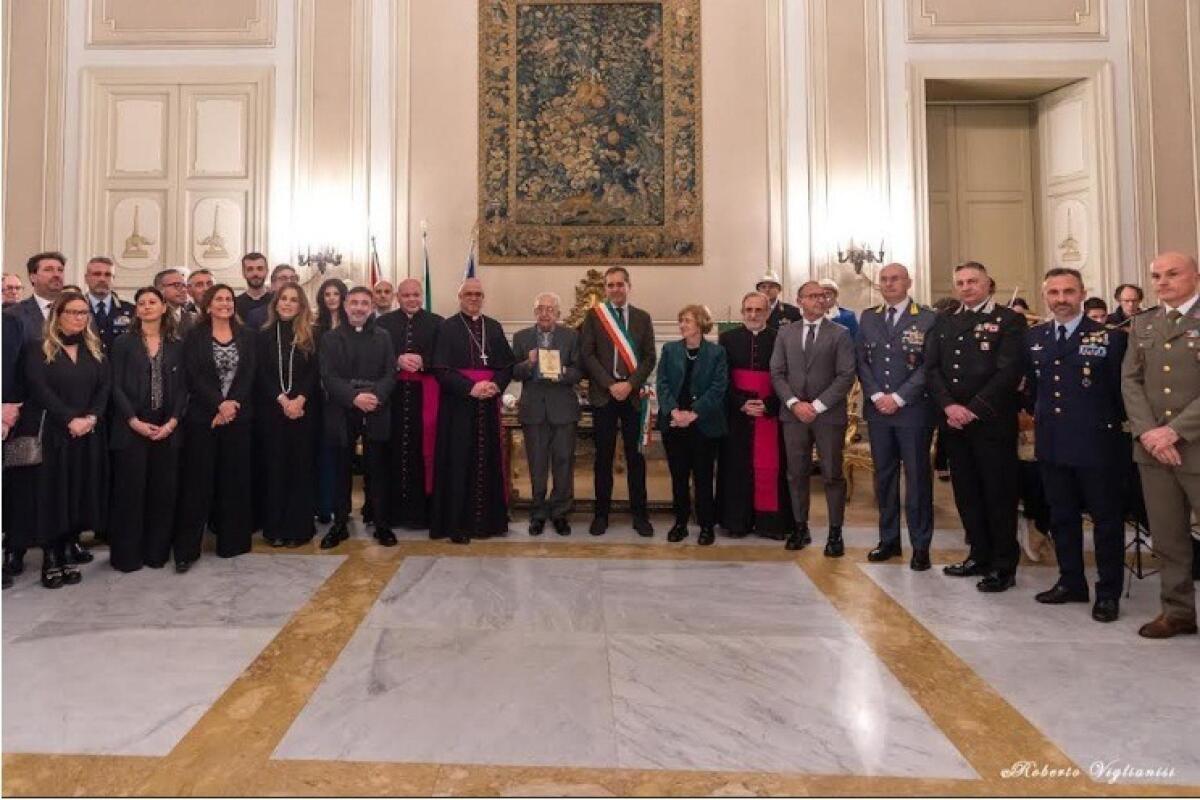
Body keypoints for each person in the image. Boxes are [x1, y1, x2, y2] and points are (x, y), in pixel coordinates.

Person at [1024, 268, 1127, 622]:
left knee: (1106, 520)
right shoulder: (1035, 338)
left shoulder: (1108, 338)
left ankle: (1109, 591)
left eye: (1068, 291)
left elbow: (1119, 395)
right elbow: (1031, 391)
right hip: (1052, 443)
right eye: (1054, 293)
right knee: (1062, 516)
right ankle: (1071, 582)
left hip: (1096, 444)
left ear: (1082, 293)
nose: (1061, 299)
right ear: (1045, 297)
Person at [925, 261, 1026, 593]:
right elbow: (933, 368)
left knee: (998, 494)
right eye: (960, 282)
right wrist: (949, 407)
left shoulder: (1008, 320)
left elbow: (1008, 372)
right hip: (954, 422)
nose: (966, 287)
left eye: (973, 281)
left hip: (991, 422)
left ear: (988, 284)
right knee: (966, 493)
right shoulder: (945, 321)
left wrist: (972, 409)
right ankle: (978, 555)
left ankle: (1003, 564)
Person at [1122, 251, 1200, 638]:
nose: (1163, 282)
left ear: (1195, 275)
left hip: (1195, 446)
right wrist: (1149, 432)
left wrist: (1176, 430)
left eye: (1172, 274)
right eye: (1156, 276)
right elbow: (1130, 381)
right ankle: (1178, 611)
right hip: (1153, 449)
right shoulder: (1144, 323)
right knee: (1168, 537)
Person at [8, 293, 109, 588]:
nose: (79, 318)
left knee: (77, 493)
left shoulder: (95, 348)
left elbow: (105, 387)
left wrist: (91, 418)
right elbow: (39, 389)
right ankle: (51, 557)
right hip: (52, 433)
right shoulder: (37, 348)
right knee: (53, 496)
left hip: (86, 434)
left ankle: (67, 549)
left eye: (83, 313)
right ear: (57, 315)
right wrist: (69, 419)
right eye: (72, 312)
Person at [855, 263, 938, 570]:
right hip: (878, 413)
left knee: (917, 480)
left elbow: (929, 365)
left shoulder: (928, 317)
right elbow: (861, 360)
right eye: (885, 280)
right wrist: (877, 396)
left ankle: (920, 545)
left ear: (908, 282)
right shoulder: (870, 316)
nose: (889, 284)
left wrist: (899, 397)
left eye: (895, 279)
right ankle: (888, 540)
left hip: (913, 411)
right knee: (884, 479)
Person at [174, 284, 257, 571]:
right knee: (197, 483)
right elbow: (192, 376)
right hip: (203, 419)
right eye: (219, 299)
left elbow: (249, 375)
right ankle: (187, 549)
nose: (225, 303)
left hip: (238, 417)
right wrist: (217, 405)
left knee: (234, 481)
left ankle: (232, 543)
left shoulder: (247, 336)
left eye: (229, 299)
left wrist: (231, 404)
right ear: (208, 306)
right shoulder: (193, 336)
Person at [770, 280, 856, 554]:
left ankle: (835, 533)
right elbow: (777, 373)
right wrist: (795, 404)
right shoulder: (785, 334)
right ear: (800, 301)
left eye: (823, 296)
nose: (820, 300)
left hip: (828, 416)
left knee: (832, 474)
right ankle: (799, 527)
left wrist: (816, 406)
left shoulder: (840, 334)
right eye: (813, 296)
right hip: (793, 416)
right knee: (796, 474)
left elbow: (846, 376)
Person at [430, 278, 515, 543]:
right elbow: (441, 370)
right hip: (458, 406)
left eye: (478, 294)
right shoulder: (447, 327)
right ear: (460, 297)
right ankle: (458, 524)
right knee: (459, 462)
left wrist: (494, 385)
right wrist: (471, 388)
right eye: (469, 294)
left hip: (488, 406)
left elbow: (506, 366)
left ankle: (486, 523)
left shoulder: (494, 327)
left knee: (487, 461)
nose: (474, 298)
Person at [108, 287, 186, 572]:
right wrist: (133, 420)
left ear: (164, 307)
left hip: (167, 427)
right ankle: (128, 556)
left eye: (152, 302)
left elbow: (184, 389)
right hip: (132, 427)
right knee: (131, 493)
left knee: (162, 493)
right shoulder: (123, 344)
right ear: (136, 310)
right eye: (141, 303)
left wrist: (173, 422)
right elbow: (114, 385)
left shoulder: (177, 344)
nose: (147, 307)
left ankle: (156, 552)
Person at [580, 267, 657, 537]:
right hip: (604, 396)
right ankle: (601, 515)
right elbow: (587, 355)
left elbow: (649, 357)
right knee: (603, 458)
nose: (614, 289)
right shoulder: (594, 316)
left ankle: (640, 515)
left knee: (636, 458)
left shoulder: (642, 318)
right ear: (605, 288)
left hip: (633, 398)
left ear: (628, 286)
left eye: (619, 285)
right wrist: (611, 384)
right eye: (610, 285)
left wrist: (630, 384)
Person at [319, 287, 396, 548]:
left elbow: (389, 374)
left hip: (376, 408)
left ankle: (382, 524)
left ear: (372, 307)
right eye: (354, 303)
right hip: (342, 410)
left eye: (365, 303)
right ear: (345, 305)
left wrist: (375, 397)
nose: (359, 308)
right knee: (342, 469)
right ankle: (340, 524)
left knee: (377, 469)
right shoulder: (330, 338)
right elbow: (328, 376)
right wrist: (354, 398)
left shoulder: (384, 337)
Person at [717, 292, 794, 540]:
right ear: (742, 312)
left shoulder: (781, 338)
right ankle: (737, 522)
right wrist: (741, 403)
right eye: (748, 310)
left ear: (767, 313)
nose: (752, 315)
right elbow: (721, 378)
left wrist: (769, 404)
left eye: (758, 310)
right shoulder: (727, 339)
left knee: (769, 468)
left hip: (769, 412)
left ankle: (769, 524)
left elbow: (788, 376)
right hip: (738, 414)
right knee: (736, 467)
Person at [512, 292, 582, 536]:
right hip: (534, 411)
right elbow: (514, 372)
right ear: (535, 312)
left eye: (550, 309)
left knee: (563, 463)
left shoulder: (571, 336)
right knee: (537, 464)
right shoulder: (521, 338)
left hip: (563, 409)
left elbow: (579, 372)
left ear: (558, 314)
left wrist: (562, 371)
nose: (545, 313)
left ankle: (561, 513)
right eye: (540, 308)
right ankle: (538, 513)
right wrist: (528, 363)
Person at [657, 305, 728, 545]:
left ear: (700, 323)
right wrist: (675, 412)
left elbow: (718, 388)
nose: (682, 325)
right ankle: (680, 523)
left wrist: (694, 414)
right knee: (678, 477)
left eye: (687, 320)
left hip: (703, 425)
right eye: (681, 321)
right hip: (675, 424)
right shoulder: (670, 350)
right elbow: (662, 383)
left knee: (703, 477)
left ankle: (706, 525)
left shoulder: (716, 353)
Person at [376, 278, 442, 529]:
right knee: (392, 450)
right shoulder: (383, 323)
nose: (412, 299)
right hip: (392, 394)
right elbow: (376, 356)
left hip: (425, 395)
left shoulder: (437, 323)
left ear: (422, 296)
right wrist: (397, 360)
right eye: (406, 295)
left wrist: (423, 360)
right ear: (397, 297)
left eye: (416, 295)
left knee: (420, 451)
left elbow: (445, 354)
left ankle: (421, 512)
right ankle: (391, 512)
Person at [257, 284, 319, 548]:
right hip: (273, 411)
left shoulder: (313, 334)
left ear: (301, 305)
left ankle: (299, 528)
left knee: (300, 469)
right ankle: (275, 529)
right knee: (275, 469)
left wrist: (300, 399)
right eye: (283, 299)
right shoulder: (262, 335)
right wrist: (282, 400)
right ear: (276, 303)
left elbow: (316, 372)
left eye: (293, 300)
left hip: (304, 412)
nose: (287, 303)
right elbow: (260, 373)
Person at [312, 278, 349, 525]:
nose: (332, 298)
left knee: (343, 454)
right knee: (322, 453)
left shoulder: (353, 325)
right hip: (319, 398)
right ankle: (323, 505)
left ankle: (342, 506)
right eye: (327, 294)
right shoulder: (315, 327)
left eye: (336, 293)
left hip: (345, 398)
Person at [5, 251, 65, 345]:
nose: (56, 274)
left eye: (60, 270)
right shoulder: (13, 315)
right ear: (33, 277)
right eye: (48, 270)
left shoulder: (81, 312)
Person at [83, 256, 134, 351]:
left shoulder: (131, 311)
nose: (102, 279)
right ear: (86, 278)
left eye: (108, 275)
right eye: (97, 274)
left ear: (113, 279)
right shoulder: (74, 310)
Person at [244, 263, 297, 329]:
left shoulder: (305, 314)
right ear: (273, 284)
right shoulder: (257, 316)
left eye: (293, 278)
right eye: (283, 278)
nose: (289, 282)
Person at [154, 268, 194, 336]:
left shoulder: (194, 318)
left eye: (185, 285)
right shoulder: (149, 317)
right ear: (159, 289)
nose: (184, 290)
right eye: (177, 285)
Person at [234, 252, 271, 324]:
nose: (255, 273)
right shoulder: (235, 304)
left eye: (260, 269)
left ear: (266, 271)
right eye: (250, 269)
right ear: (243, 273)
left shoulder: (275, 301)